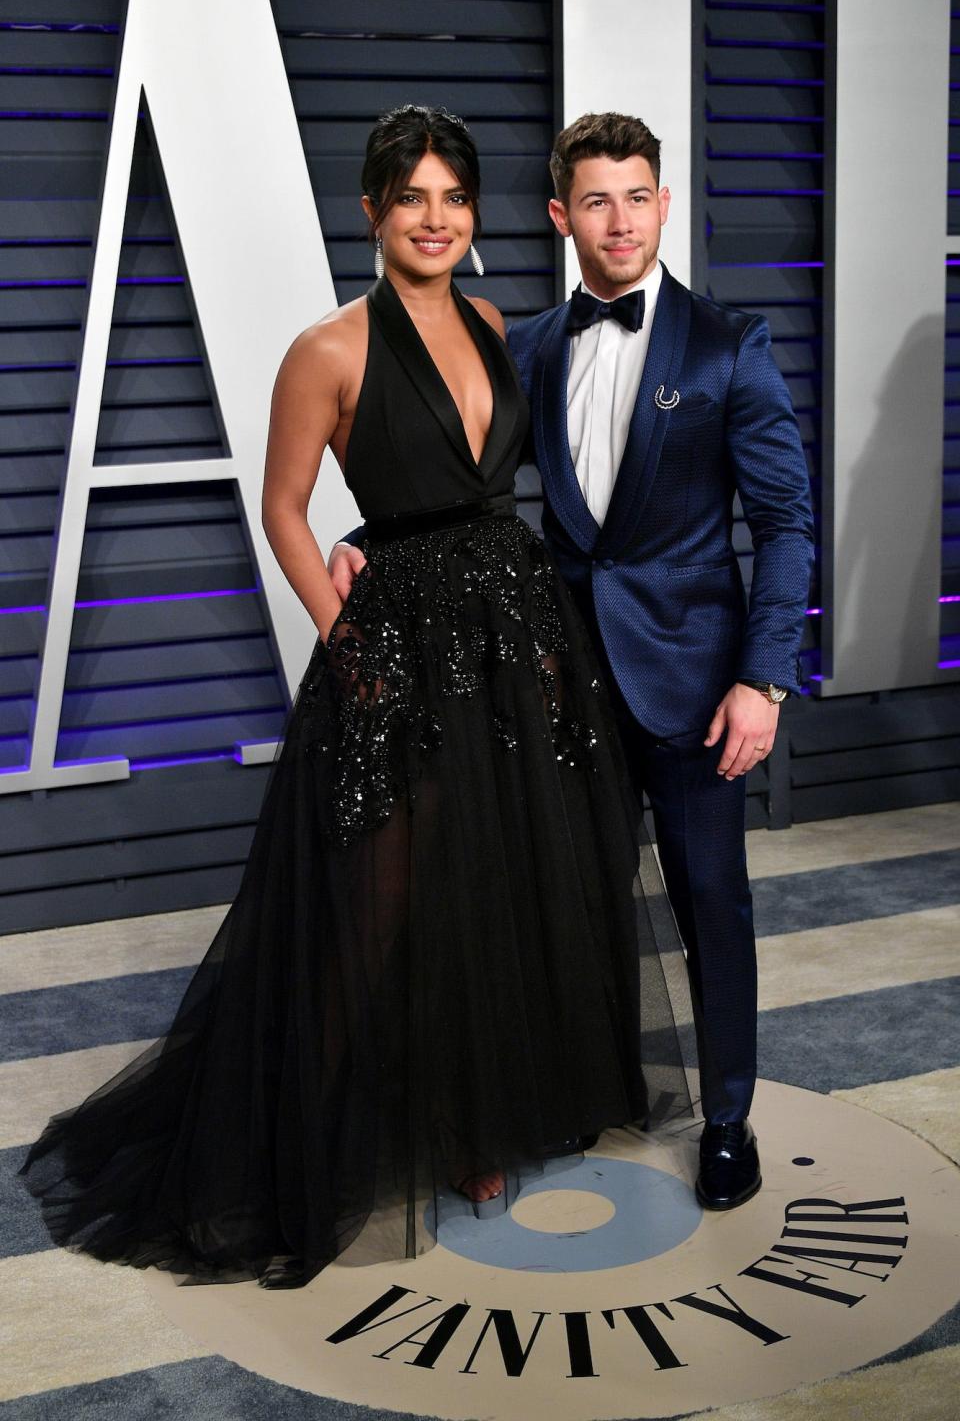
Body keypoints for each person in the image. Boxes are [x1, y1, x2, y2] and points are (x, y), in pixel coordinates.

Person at [20, 106, 696, 1290]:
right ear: (372, 209)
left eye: (452, 197)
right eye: (410, 197)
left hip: (518, 639)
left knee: (506, 884)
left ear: (475, 214)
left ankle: (484, 1126)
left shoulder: (492, 323)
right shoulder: (326, 348)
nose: (433, 219)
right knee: (380, 905)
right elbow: (285, 507)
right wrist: (350, 636)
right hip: (398, 649)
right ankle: (321, 1137)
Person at [333, 111, 815, 1212]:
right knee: (570, 904)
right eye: (595, 200)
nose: (619, 221)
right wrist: (368, 544)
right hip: (552, 681)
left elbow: (785, 523)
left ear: (663, 203)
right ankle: (581, 1090)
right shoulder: (529, 342)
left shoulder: (729, 344)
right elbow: (463, 485)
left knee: (711, 906)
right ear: (561, 216)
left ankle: (728, 1119)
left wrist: (764, 677)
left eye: (637, 196)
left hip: (698, 687)